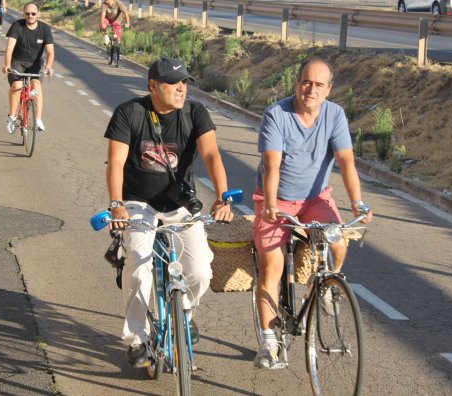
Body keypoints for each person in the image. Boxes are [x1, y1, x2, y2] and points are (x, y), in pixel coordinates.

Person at [104, 57, 233, 368]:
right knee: (137, 263)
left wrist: (222, 197)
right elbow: (116, 163)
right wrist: (116, 203)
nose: (182, 88)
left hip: (179, 204)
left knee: (201, 270)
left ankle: (185, 310)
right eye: (174, 83)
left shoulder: (194, 113)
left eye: (185, 82)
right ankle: (136, 337)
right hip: (138, 204)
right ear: (153, 86)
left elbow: (212, 154)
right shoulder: (129, 113)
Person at [252, 57, 373, 369]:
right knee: (272, 265)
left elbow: (346, 161)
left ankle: (322, 290)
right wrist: (269, 204)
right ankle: (268, 343)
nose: (311, 89)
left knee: (338, 243)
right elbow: (272, 163)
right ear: (297, 83)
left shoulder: (335, 116)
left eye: (319, 84)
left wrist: (357, 203)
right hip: (275, 199)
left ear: (329, 90)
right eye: (306, 82)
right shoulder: (276, 114)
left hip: (315, 198)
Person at [2, 2, 54, 134]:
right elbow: (9, 48)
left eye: (33, 14)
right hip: (17, 62)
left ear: (38, 14)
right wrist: (7, 65)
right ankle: (12, 117)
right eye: (27, 14)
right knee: (17, 86)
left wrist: (48, 66)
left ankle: (38, 119)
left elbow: (50, 52)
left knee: (36, 87)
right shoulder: (17, 26)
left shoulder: (45, 29)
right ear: (23, 14)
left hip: (35, 64)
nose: (30, 16)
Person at [98, 0, 130, 67]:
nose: (105, 1)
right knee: (102, 25)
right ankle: (106, 38)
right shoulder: (104, 4)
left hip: (117, 20)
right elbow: (103, 15)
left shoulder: (118, 3)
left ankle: (117, 52)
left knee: (117, 38)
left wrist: (127, 22)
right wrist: (102, 24)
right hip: (107, 19)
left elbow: (125, 12)